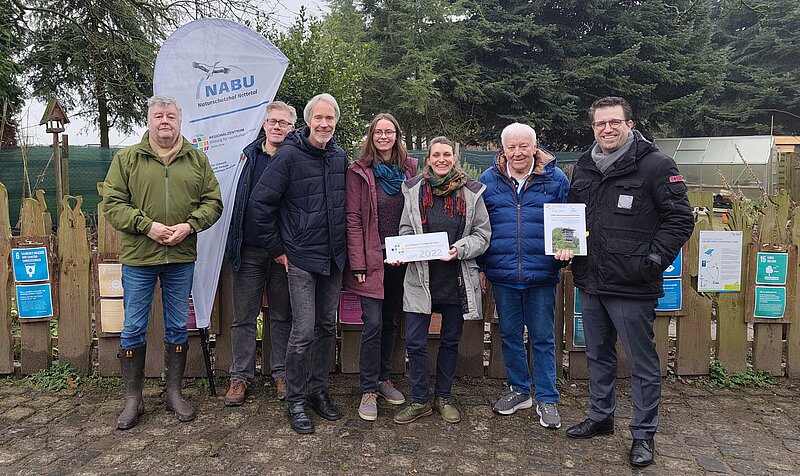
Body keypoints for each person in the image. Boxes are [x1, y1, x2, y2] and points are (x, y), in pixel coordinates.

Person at [562, 96, 693, 467]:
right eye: (600, 123)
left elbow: (680, 219)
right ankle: (601, 417)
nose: (607, 129)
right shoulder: (585, 166)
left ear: (629, 124)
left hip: (633, 284)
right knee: (597, 354)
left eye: (614, 122)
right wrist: (564, 245)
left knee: (641, 362)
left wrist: (653, 260)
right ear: (593, 128)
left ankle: (643, 433)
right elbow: (572, 217)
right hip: (591, 280)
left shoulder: (656, 165)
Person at [103, 95, 223, 430]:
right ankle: (133, 399)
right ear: (149, 120)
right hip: (139, 258)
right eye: (158, 115)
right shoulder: (128, 159)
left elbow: (213, 202)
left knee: (176, 326)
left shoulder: (196, 160)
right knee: (134, 327)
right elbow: (113, 203)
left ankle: (174, 392)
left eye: (170, 115)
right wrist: (147, 226)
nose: (164, 120)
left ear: (180, 121)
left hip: (180, 257)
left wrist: (189, 225)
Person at [249, 93, 348, 434]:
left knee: (325, 327)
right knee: (302, 331)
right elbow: (260, 205)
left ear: (336, 121)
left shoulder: (338, 156)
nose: (324, 124)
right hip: (301, 259)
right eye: (318, 118)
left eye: (329, 118)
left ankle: (317, 390)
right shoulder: (289, 155)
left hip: (333, 259)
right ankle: (295, 399)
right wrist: (278, 249)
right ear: (308, 121)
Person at [392, 136, 491, 425]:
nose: (441, 160)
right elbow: (405, 229)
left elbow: (483, 235)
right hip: (421, 278)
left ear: (454, 158)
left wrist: (458, 250)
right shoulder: (413, 191)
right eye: (436, 155)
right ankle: (420, 399)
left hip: (455, 280)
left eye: (447, 154)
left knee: (450, 342)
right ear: (428, 159)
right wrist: (407, 248)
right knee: (415, 342)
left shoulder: (471, 193)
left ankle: (444, 397)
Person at [478, 122, 570, 428]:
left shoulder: (554, 179)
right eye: (511, 147)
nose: (517, 153)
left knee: (543, 338)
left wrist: (567, 248)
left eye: (523, 146)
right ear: (502, 149)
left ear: (535, 146)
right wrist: (480, 266)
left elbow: (567, 221)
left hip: (542, 273)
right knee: (510, 336)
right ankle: (519, 391)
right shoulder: (488, 180)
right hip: (503, 274)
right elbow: (479, 226)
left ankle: (547, 397)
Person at [343, 113, 416, 421]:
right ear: (371, 136)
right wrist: (358, 261)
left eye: (389, 132)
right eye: (378, 132)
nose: (384, 137)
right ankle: (368, 389)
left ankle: (384, 377)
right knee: (372, 322)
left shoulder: (409, 168)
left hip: (401, 258)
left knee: (390, 320)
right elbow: (354, 219)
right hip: (372, 258)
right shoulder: (359, 171)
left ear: (397, 135)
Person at [224, 101, 297, 406]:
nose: (277, 126)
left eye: (283, 122)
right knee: (243, 318)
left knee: (282, 316)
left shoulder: (297, 157)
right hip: (250, 249)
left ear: (292, 128)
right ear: (264, 124)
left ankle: (281, 374)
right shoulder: (247, 156)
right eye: (272, 121)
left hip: (285, 253)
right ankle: (240, 376)